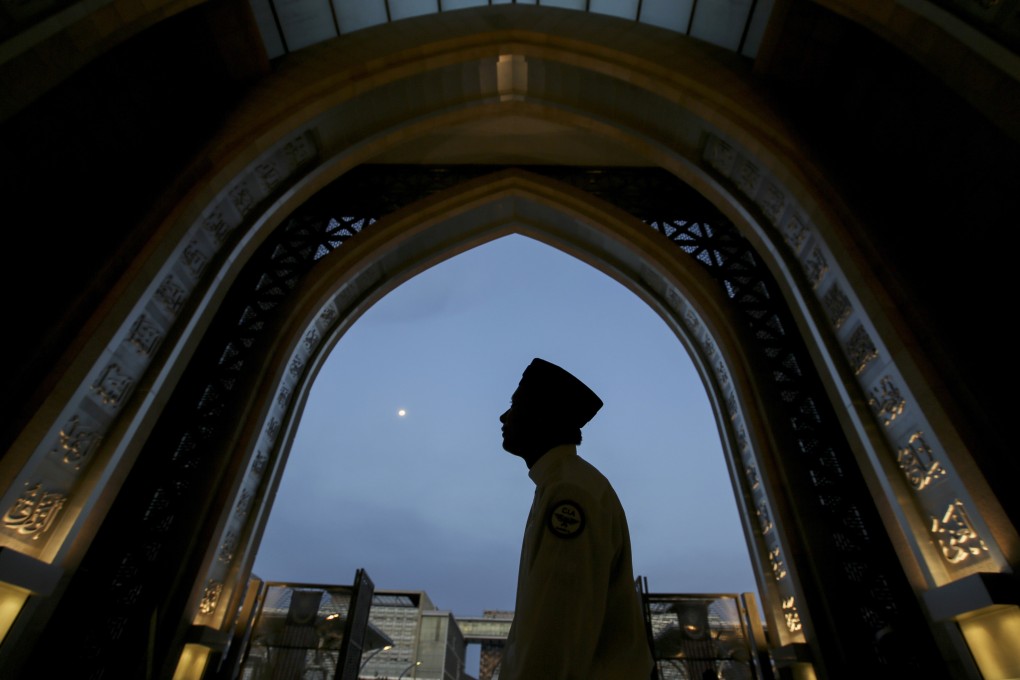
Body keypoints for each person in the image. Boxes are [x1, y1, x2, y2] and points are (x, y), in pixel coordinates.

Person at [498, 358, 654, 680]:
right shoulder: (567, 484)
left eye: (514, 405)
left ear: (541, 416)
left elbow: (555, 631)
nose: (503, 416)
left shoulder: (568, 492)